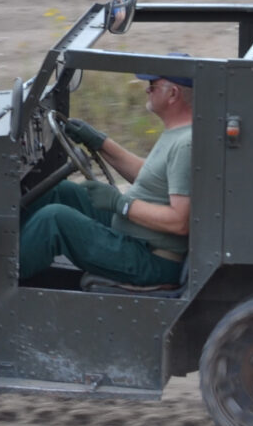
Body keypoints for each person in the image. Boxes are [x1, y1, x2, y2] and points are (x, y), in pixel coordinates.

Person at [19, 67, 194, 287]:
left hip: (152, 258)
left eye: (153, 86)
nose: (147, 91)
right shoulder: (178, 133)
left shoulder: (185, 143)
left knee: (54, 219)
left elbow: (180, 223)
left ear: (173, 94)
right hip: (137, 236)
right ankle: (9, 249)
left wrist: (120, 204)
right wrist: (100, 142)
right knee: (63, 192)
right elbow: (150, 177)